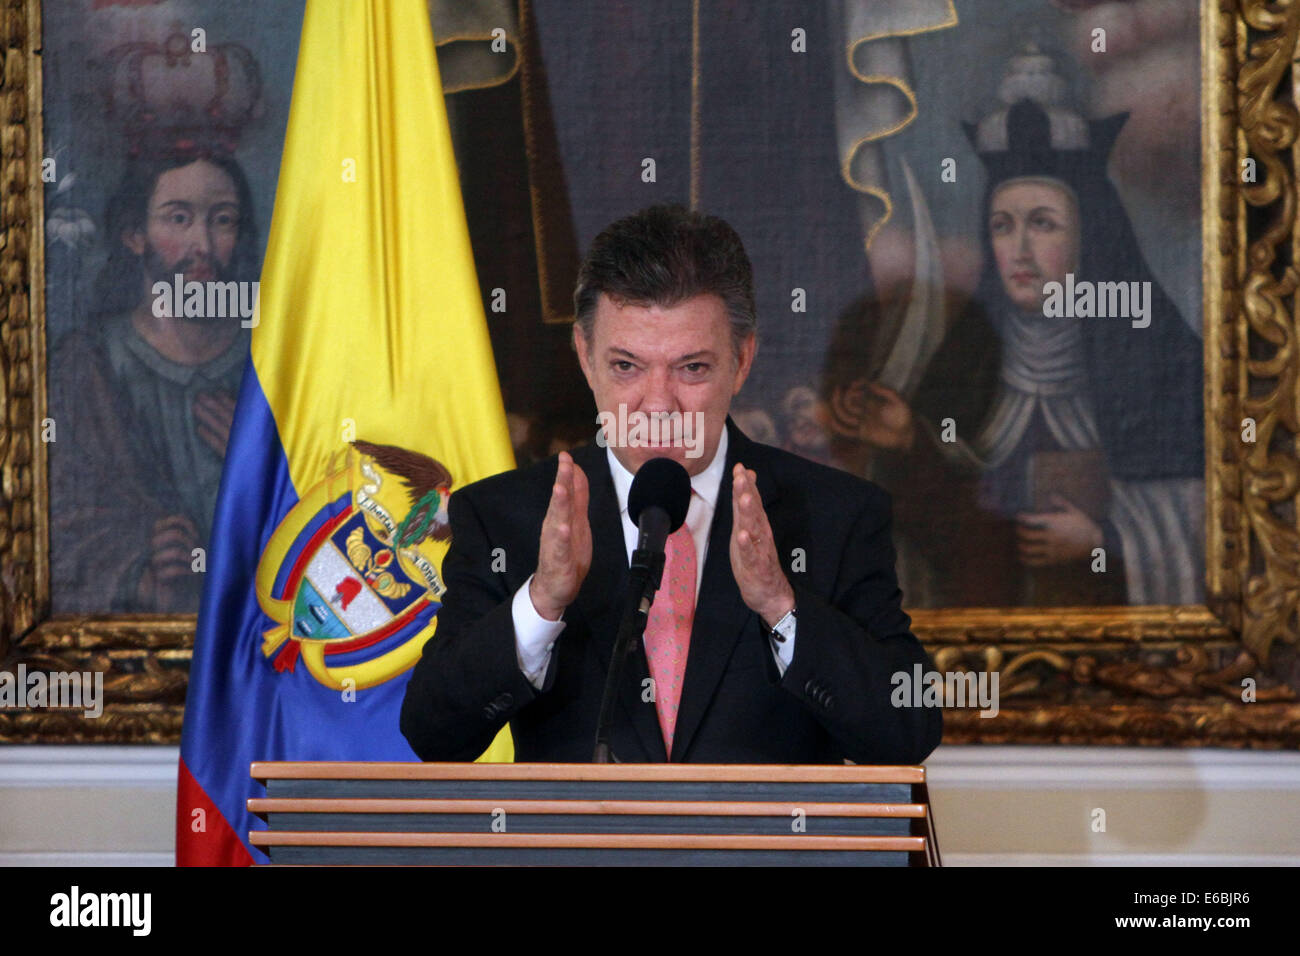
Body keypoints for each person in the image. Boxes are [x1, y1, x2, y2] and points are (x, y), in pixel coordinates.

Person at [401, 204, 942, 764]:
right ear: (585, 358)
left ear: (742, 360)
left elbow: (908, 731)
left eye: (692, 369)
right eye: (627, 367)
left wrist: (781, 605)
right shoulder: (505, 516)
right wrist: (542, 603)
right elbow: (434, 733)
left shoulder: (835, 515)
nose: (657, 405)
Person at [50, 150, 259, 612]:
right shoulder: (85, 366)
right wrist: (144, 565)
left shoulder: (273, 360)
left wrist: (260, 466)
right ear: (134, 234)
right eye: (178, 218)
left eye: (222, 220)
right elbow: (52, 532)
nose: (201, 244)